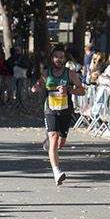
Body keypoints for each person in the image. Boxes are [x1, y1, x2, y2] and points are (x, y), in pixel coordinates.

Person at [33, 44, 85, 185]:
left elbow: (82, 90)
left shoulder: (70, 73)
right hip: (50, 109)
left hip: (65, 110)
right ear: (52, 58)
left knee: (60, 144)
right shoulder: (46, 72)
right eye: (56, 57)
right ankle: (57, 172)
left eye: (61, 57)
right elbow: (38, 84)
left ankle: (48, 143)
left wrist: (69, 89)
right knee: (54, 138)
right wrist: (36, 87)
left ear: (64, 59)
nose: (58, 59)